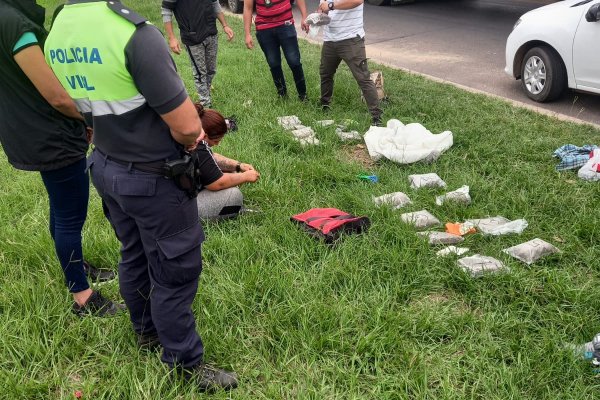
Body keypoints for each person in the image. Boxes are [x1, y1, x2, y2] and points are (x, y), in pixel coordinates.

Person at [45, 1, 237, 391]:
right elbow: (186, 126)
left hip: (105, 164)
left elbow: (70, 102)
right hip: (153, 178)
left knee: (133, 253)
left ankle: (146, 332)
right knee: (174, 271)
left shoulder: (60, 26)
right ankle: (183, 363)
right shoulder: (133, 34)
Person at [0, 0, 120, 317]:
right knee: (70, 215)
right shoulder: (15, 24)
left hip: (25, 131)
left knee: (60, 204)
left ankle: (76, 264)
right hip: (51, 135)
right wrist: (89, 120)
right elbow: (56, 96)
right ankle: (81, 295)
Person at [317, 0, 383, 126]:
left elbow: (357, 1)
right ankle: (324, 105)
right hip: (330, 39)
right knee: (325, 74)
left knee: (363, 78)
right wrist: (319, 13)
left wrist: (330, 5)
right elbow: (324, 8)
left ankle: (377, 118)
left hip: (351, 39)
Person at [161, 0, 234, 108]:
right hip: (192, 37)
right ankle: (205, 106)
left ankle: (206, 94)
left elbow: (214, 3)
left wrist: (225, 25)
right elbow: (166, 10)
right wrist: (172, 38)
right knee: (200, 73)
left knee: (211, 70)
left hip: (211, 33)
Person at [194, 104, 259, 220]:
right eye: (215, 140)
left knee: (231, 175)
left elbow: (211, 157)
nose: (217, 144)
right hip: (181, 209)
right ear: (205, 136)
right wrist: (245, 177)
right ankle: (231, 210)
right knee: (234, 195)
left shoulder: (190, 137)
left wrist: (238, 166)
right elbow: (217, 183)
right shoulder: (198, 146)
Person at [243, 0, 309, 100]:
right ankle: (282, 95)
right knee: (274, 64)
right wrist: (247, 34)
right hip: (264, 28)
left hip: (285, 25)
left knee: (294, 61)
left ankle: (303, 96)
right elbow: (247, 8)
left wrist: (304, 16)